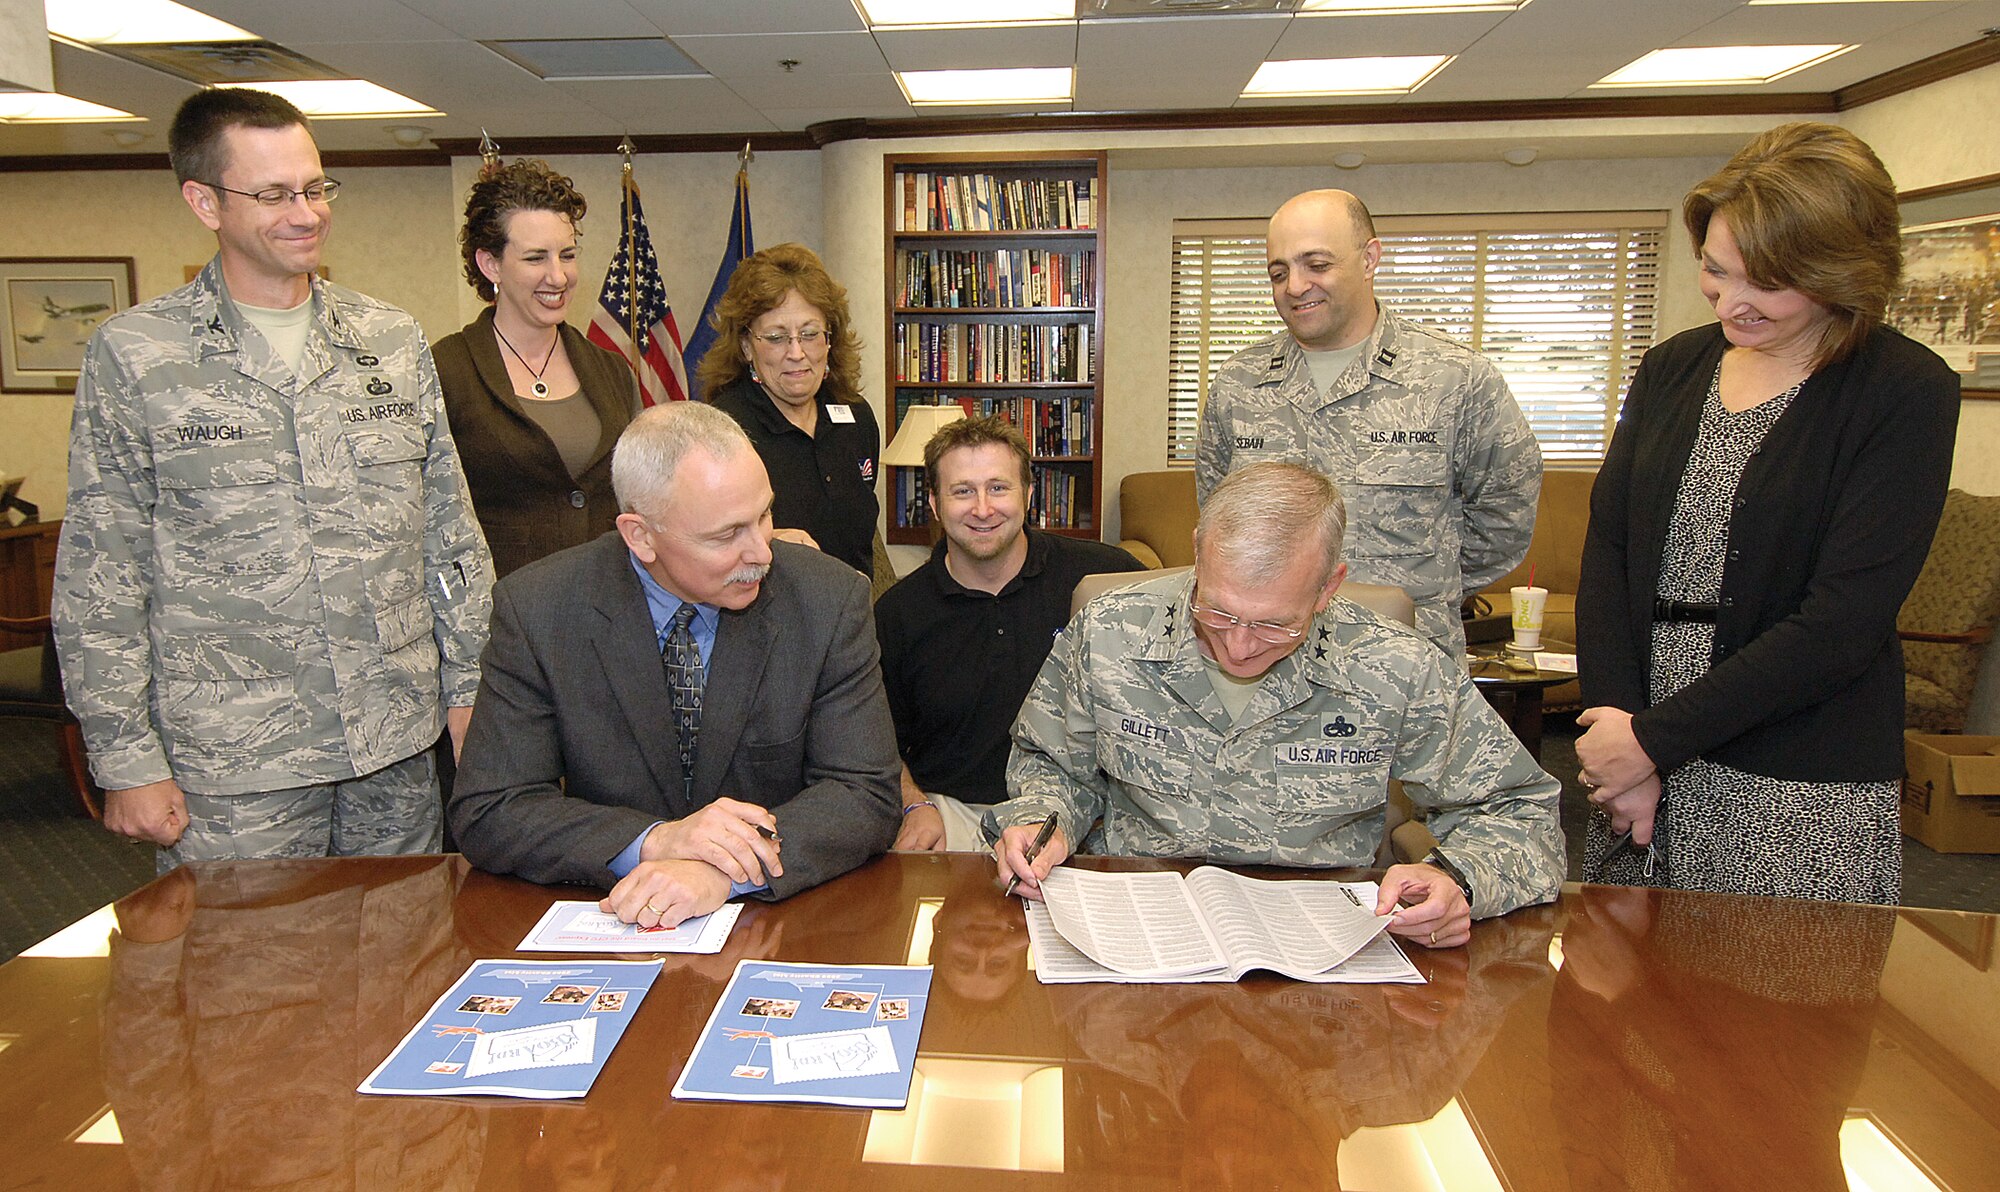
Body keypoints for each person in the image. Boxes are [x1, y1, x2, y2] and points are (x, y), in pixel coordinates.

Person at [52, 88, 491, 869]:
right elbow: (103, 573)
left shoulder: (388, 340)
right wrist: (125, 758)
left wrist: (470, 693)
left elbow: (448, 535)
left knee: (404, 940)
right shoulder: (139, 355)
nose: (307, 213)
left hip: (392, 743)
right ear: (205, 202)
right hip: (236, 763)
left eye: (316, 188)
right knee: (247, 952)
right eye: (275, 194)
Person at [1573, 121, 1960, 905]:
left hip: (1794, 770)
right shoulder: (1674, 365)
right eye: (1717, 271)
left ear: (1843, 273)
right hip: (1634, 748)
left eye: (1768, 284)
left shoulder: (1904, 390)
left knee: (1773, 983)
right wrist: (1618, 737)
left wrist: (1651, 742)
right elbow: (1610, 550)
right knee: (1621, 977)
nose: (1733, 301)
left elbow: (1842, 623)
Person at [989, 462, 1564, 948]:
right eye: (1218, 612)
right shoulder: (1108, 631)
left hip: (1320, 944)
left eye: (1274, 624)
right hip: (1140, 923)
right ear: (1198, 553)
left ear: (1328, 587)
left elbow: (1523, 813)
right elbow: (1050, 763)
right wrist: (1040, 819)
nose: (1239, 647)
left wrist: (1460, 879)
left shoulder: (1395, 665)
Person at [449, 401, 900, 927]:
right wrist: (656, 842)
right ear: (641, 535)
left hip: (780, 923)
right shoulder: (539, 609)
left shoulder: (828, 599)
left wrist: (723, 871)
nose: (762, 552)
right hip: (608, 920)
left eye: (764, 515)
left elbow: (865, 793)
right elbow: (492, 807)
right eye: (726, 534)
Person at [1193, 188, 1541, 655]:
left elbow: (1506, 519)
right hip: (1271, 657)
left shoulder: (1455, 378)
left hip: (1403, 657)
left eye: (1317, 265)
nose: (1295, 286)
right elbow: (1218, 511)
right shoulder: (1240, 382)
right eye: (1279, 272)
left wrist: (1421, 589)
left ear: (1369, 259)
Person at [874, 415, 1144, 851]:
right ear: (935, 504)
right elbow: (878, 739)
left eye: (998, 487)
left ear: (1029, 494)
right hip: (955, 815)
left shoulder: (1105, 577)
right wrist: (913, 805)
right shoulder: (897, 614)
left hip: (1084, 812)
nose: (983, 509)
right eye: (963, 491)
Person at [432, 158, 641, 580]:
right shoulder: (446, 370)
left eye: (567, 255)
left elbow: (643, 491)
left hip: (608, 596)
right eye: (535, 258)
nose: (558, 276)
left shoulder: (611, 371)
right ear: (491, 265)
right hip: (500, 603)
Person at [699, 243, 879, 578]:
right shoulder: (721, 431)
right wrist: (767, 541)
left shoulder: (856, 416)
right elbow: (700, 545)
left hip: (852, 603)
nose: (796, 353)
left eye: (809, 334)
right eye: (776, 337)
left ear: (829, 339)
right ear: (746, 345)